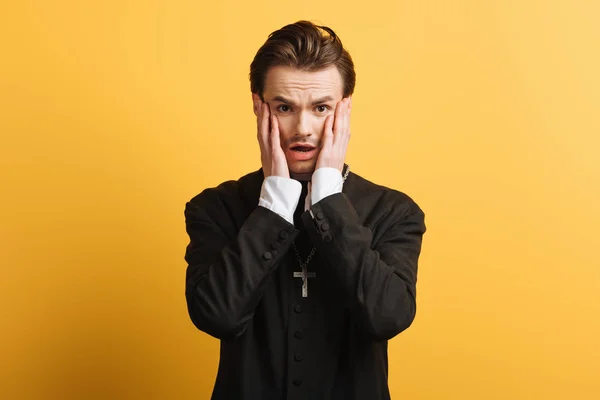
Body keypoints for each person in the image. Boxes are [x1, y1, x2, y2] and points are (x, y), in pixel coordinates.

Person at [184, 20, 426, 400]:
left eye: (321, 108)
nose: (303, 128)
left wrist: (328, 197)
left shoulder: (394, 211)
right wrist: (275, 200)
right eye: (284, 107)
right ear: (258, 106)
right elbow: (217, 316)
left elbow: (387, 317)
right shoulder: (215, 208)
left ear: (345, 109)